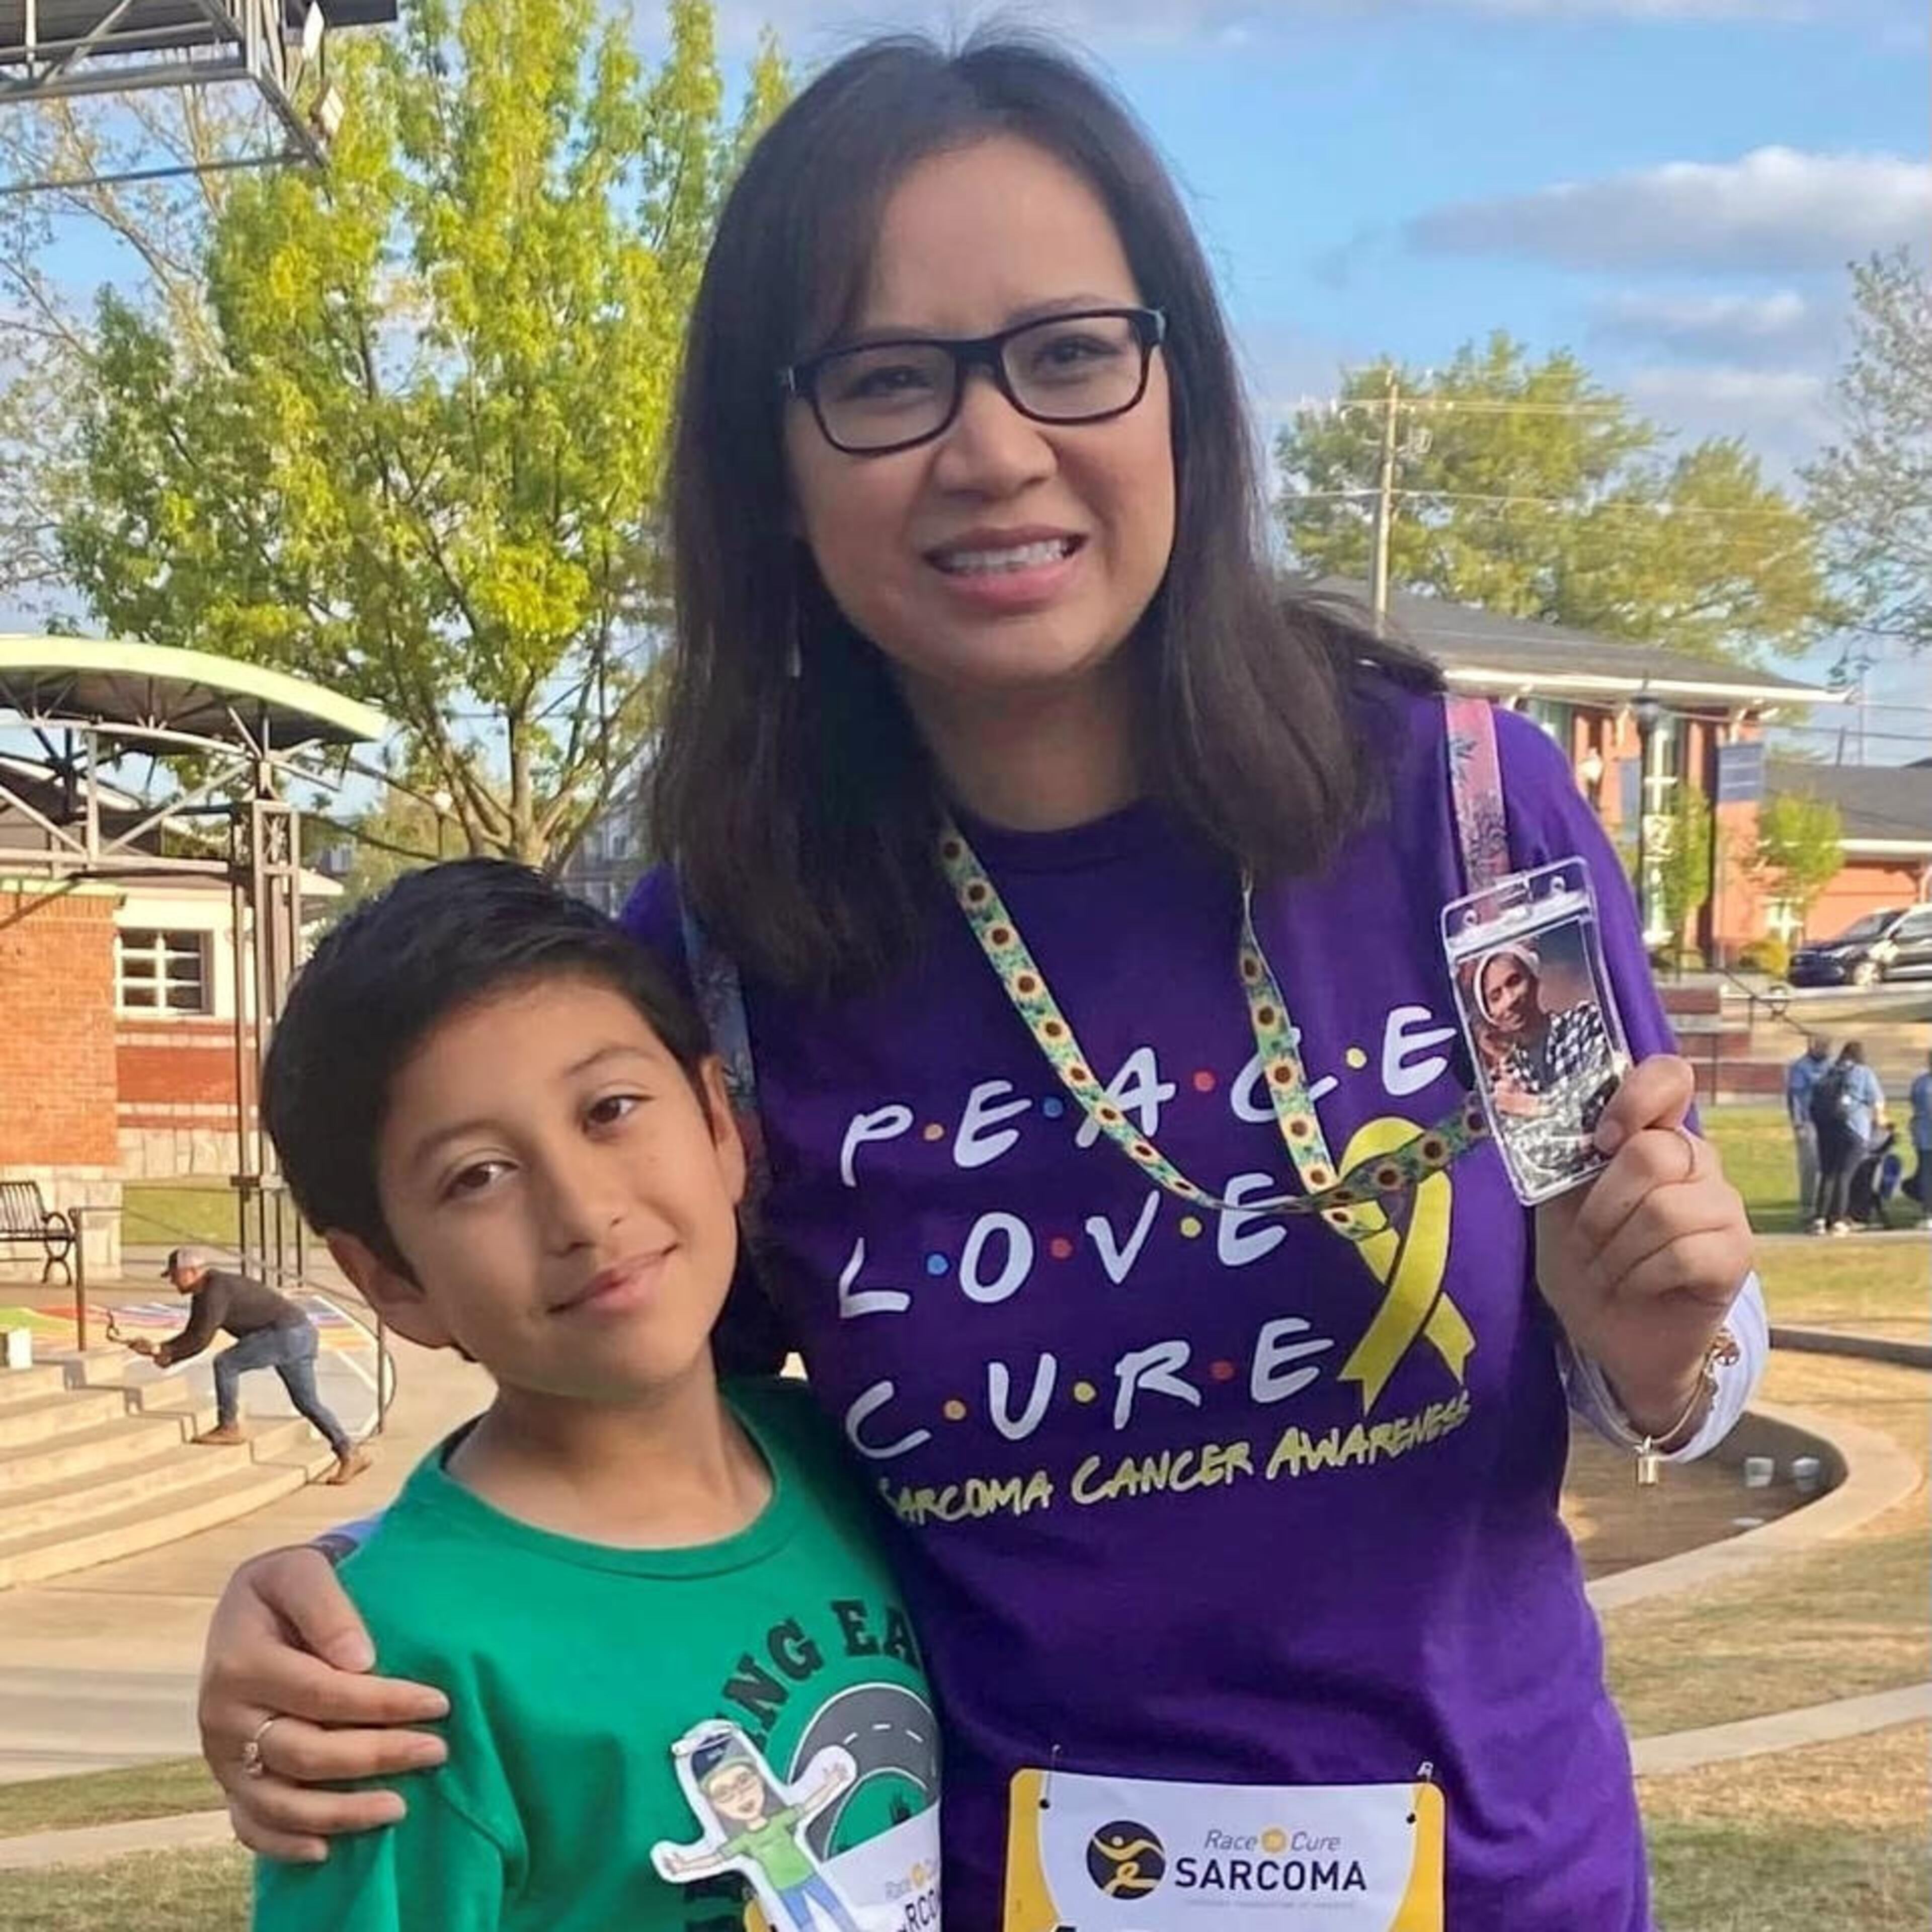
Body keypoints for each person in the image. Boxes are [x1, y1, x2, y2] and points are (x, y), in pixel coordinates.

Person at [194, 35, 1763, 1930]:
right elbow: (642, 1425)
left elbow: (1656, 1346)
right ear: (772, 466)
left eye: (1070, 352)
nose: (996, 448)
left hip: (1504, 1888)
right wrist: (354, 1596)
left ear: (1177, 387)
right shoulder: (728, 949)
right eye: (885, 381)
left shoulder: (1468, 823)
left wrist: (1667, 1345)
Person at [250, 861, 939, 1932]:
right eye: (478, 1176)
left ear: (720, 1125)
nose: (582, 1210)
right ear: (390, 1280)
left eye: (610, 1110)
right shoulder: (393, 1675)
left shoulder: (854, 1464)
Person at [132, 1247, 368, 1486]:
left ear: (192, 1272)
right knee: (307, 1403)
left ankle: (229, 1427)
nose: (172, 1281)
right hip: (301, 1333)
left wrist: (166, 1353)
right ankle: (349, 1452)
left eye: (174, 1275)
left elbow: (201, 1339)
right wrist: (161, 1350)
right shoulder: (206, 1292)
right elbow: (194, 1334)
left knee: (226, 1363)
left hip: (285, 1334)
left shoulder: (216, 1291)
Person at [1471, 939, 1621, 1192]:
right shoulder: (1503, 1079)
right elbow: (1524, 1154)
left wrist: (1530, 1106)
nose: (1509, 1000)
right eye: (1496, 996)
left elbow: (1595, 1105)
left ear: (1534, 980)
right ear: (1490, 1014)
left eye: (1514, 982)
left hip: (1615, 1176)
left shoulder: (1585, 1022)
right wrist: (1586, 1140)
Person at [1810, 1041, 1887, 1236]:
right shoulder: (1863, 1072)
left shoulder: (1830, 1071)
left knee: (1828, 1174)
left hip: (1827, 1129)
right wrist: (1882, 1124)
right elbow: (1877, 1102)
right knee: (1845, 1175)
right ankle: (1838, 1220)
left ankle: (1820, 1220)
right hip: (1853, 1129)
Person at [1785, 1035, 1831, 1223]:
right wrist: (1798, 1123)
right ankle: (1807, 1206)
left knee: (1829, 1167)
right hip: (1808, 1122)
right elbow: (1795, 1097)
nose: (1825, 1050)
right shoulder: (1800, 1067)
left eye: (1827, 1047)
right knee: (1809, 1166)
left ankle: (1826, 1206)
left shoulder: (1832, 1066)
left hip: (1830, 1123)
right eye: (1821, 1046)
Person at [1908, 1049, 1932, 1230]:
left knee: (1927, 1174)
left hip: (1924, 1136)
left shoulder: (1920, 1083)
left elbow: (1915, 1106)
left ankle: (1929, 1212)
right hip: (1925, 1134)